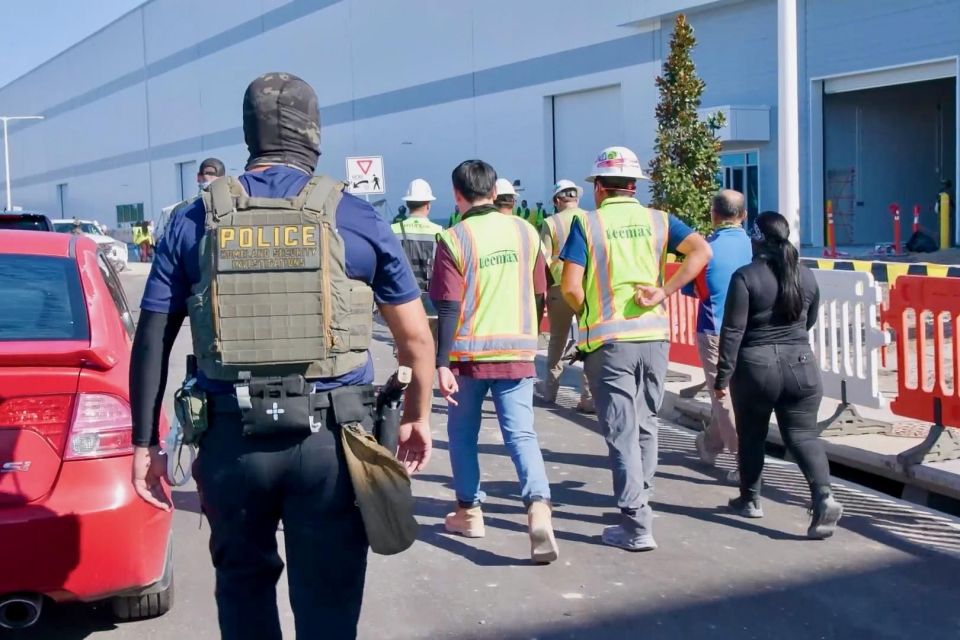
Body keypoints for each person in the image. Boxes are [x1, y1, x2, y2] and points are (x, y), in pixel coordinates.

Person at [129, 72, 434, 640]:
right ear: (313, 134)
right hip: (332, 443)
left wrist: (144, 443)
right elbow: (415, 339)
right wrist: (417, 415)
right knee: (329, 601)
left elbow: (152, 338)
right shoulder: (355, 216)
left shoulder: (193, 219)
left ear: (249, 135)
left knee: (242, 590)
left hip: (231, 442)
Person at [559, 146, 711, 551]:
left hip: (610, 343)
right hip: (654, 337)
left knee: (621, 429)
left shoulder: (586, 224)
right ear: (634, 185)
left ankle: (635, 523)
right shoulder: (660, 220)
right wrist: (664, 291)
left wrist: (588, 314)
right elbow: (702, 251)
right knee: (646, 423)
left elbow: (570, 286)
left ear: (598, 187)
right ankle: (642, 497)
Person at [431, 159, 559, 564]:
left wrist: (441, 362)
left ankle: (469, 512)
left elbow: (448, 306)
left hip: (468, 356)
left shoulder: (453, 238)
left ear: (457, 195)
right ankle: (538, 507)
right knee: (521, 435)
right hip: (517, 352)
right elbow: (540, 291)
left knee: (462, 435)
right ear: (493, 191)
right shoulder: (525, 231)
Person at [714, 211, 843, 539]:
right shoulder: (805, 274)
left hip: (756, 367)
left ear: (756, 240)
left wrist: (722, 376)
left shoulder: (746, 277)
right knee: (803, 436)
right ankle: (824, 496)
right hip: (801, 364)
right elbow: (809, 320)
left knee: (752, 435)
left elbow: (733, 331)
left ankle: (750, 499)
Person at [684, 190, 753, 480]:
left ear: (713, 215)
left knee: (722, 395)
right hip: (751, 330)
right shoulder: (755, 246)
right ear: (744, 215)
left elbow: (693, 289)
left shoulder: (704, 250)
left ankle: (744, 462)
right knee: (735, 396)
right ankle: (710, 444)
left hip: (715, 329)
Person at [536, 179, 593, 413]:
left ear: (557, 200)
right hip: (586, 287)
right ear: (577, 198)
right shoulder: (591, 219)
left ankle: (550, 391)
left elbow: (543, 259)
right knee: (588, 340)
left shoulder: (551, 222)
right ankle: (588, 397)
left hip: (559, 287)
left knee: (557, 341)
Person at [392, 178, 444, 342]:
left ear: (407, 204)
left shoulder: (393, 230)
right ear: (428, 204)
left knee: (404, 345)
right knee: (430, 344)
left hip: (402, 298)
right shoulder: (439, 232)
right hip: (431, 299)